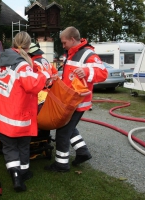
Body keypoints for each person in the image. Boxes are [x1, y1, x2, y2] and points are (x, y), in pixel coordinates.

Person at [0, 31, 51, 192]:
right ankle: (23, 172)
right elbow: (32, 85)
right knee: (23, 146)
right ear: (28, 45)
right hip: (18, 116)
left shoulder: (0, 61)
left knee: (9, 147)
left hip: (0, 115)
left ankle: (15, 176)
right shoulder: (22, 64)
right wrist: (45, 73)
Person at [44, 26, 108, 172]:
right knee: (68, 128)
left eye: (64, 42)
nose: (63, 45)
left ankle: (61, 164)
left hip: (77, 102)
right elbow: (69, 77)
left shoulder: (88, 55)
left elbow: (103, 73)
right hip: (70, 101)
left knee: (63, 132)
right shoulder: (71, 53)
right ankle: (82, 152)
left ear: (73, 39)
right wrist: (57, 77)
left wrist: (86, 71)